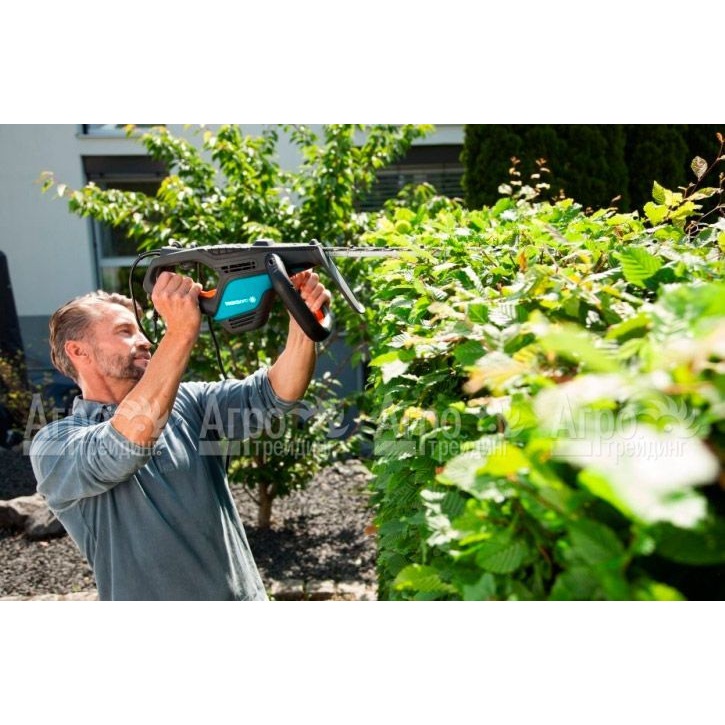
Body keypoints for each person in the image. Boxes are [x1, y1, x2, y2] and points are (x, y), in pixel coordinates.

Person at [30, 269, 330, 600]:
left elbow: (275, 393)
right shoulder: (54, 446)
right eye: (125, 331)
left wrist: (302, 319)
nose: (145, 341)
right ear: (78, 352)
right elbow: (120, 448)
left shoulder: (189, 402)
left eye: (141, 330)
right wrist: (180, 333)